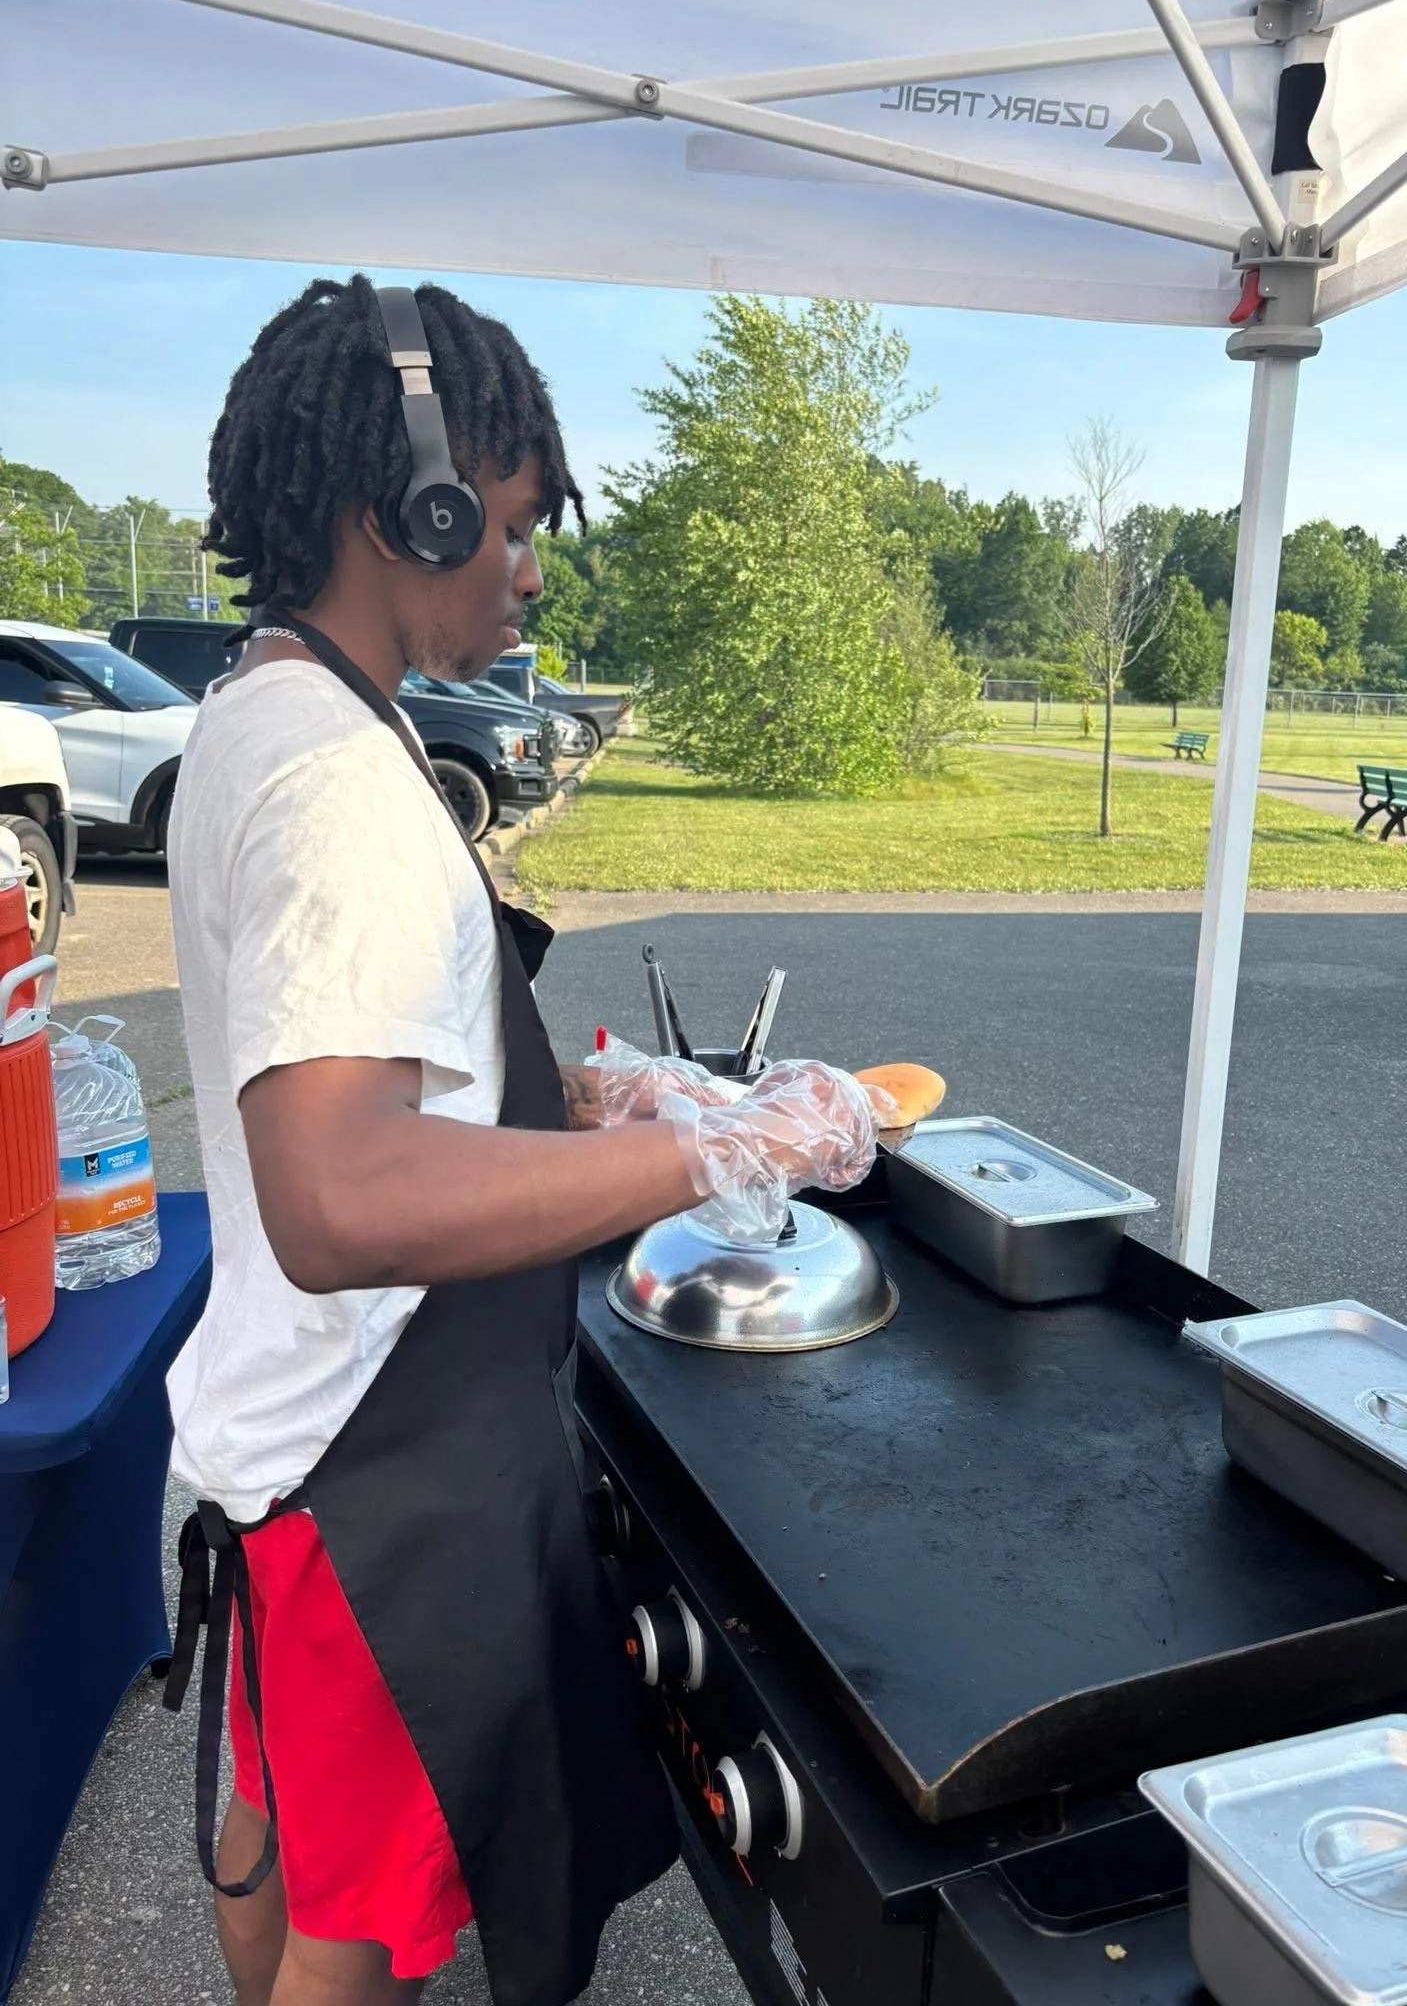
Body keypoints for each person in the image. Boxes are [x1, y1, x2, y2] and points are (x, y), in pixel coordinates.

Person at [162, 274, 885, 2006]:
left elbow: (359, 1082)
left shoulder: (274, 713)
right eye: (510, 518)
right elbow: (341, 1189)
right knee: (367, 1926)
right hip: (378, 1468)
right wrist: (731, 1153)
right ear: (403, 502)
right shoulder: (342, 785)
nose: (534, 566)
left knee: (289, 1840)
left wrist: (584, 1107)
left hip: (295, 1445)